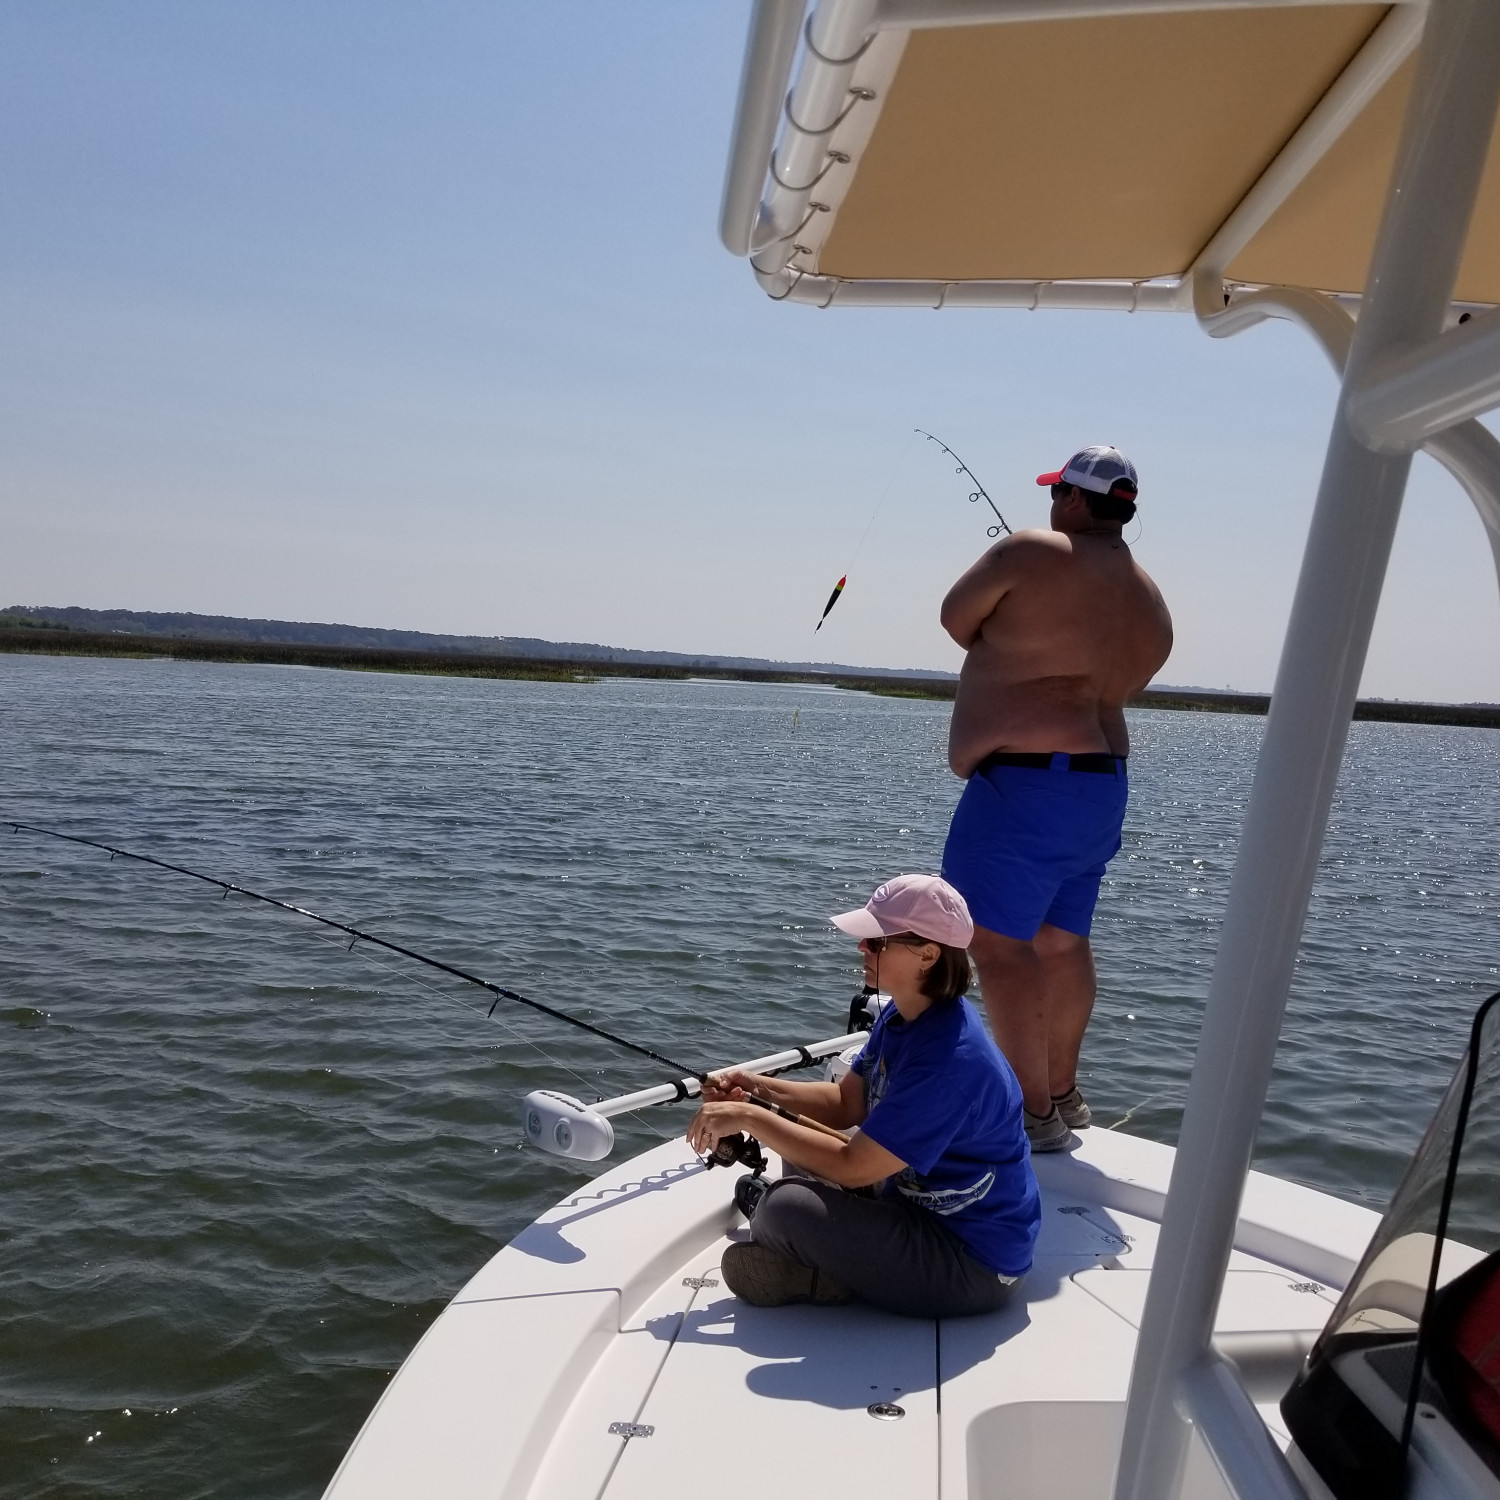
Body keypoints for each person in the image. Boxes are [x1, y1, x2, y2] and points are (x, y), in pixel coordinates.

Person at [938, 446, 1173, 1151]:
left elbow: (955, 618)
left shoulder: (1030, 551)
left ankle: (1029, 1112)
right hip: (1099, 787)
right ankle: (1064, 1095)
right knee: (1063, 944)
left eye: (1056, 493)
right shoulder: (1149, 597)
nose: (1051, 504)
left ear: (1073, 499)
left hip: (1027, 786)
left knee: (998, 946)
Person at [686, 874, 1040, 1318]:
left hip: (969, 1263)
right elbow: (845, 1104)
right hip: (908, 1203)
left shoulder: (950, 1063)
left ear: (928, 955)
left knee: (784, 1207)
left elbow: (852, 1169)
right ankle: (823, 1254)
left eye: (876, 941)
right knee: (799, 1152)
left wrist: (750, 1118)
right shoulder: (905, 1013)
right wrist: (757, 1089)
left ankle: (818, 1267)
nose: (861, 948)